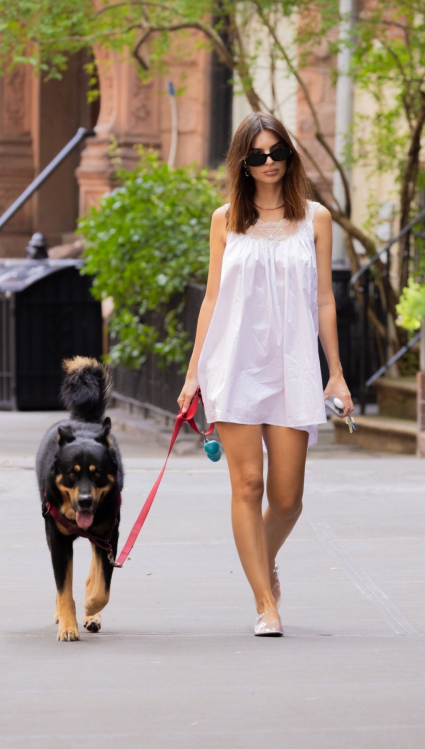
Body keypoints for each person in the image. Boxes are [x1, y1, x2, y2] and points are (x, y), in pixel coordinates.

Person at [177, 112, 354, 637]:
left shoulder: (315, 219)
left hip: (293, 367)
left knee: (287, 497)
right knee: (248, 483)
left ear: (290, 156)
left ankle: (263, 557)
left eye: (277, 152)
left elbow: (325, 300)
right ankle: (265, 603)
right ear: (243, 163)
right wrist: (193, 376)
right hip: (233, 365)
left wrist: (336, 375)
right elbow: (211, 300)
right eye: (257, 156)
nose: (270, 162)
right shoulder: (226, 218)